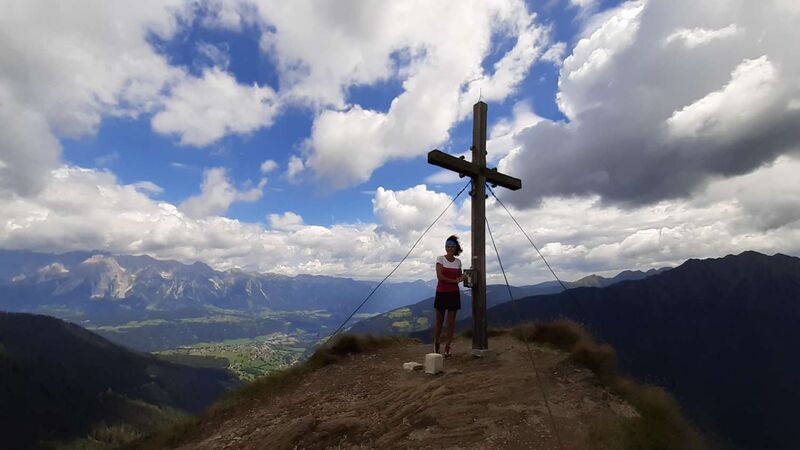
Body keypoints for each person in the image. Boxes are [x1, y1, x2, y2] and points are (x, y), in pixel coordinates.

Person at [433, 235, 464, 357]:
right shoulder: (440, 259)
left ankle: (447, 347)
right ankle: (436, 343)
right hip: (442, 293)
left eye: (452, 246)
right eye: (447, 246)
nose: (449, 249)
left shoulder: (458, 262)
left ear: (455, 248)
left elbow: (459, 277)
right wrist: (456, 281)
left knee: (451, 323)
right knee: (439, 321)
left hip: (453, 294)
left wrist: (462, 278)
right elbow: (440, 277)